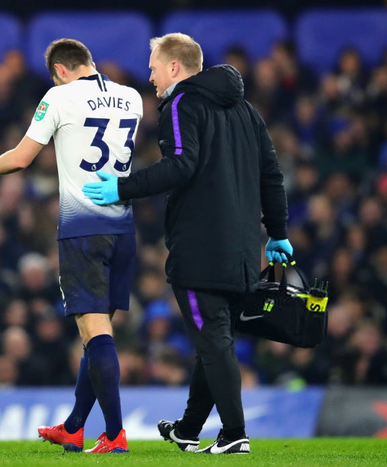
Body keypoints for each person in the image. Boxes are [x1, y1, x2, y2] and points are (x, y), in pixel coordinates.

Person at [83, 33, 292, 454]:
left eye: (155, 67)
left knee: (213, 341)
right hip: (244, 249)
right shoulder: (246, 111)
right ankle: (189, 428)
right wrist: (279, 233)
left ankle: (234, 434)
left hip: (201, 248)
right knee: (212, 338)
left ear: (175, 68)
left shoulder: (181, 103)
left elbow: (181, 165)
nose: (151, 76)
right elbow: (271, 174)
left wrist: (123, 187)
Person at [0, 38, 142, 454]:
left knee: (95, 332)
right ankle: (75, 426)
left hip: (82, 230)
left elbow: (23, 158)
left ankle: (114, 434)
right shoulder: (131, 96)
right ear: (90, 63)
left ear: (60, 70)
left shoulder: (58, 97)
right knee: (96, 333)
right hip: (123, 229)